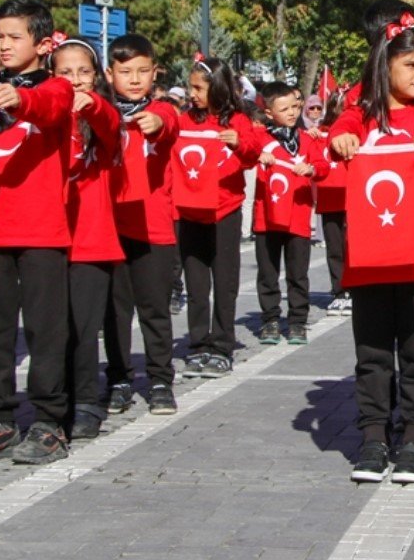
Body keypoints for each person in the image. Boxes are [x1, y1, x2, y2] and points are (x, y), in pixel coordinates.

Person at [329, 20, 414, 485]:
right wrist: (340, 138)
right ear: (386, 65)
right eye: (411, 65)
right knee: (373, 351)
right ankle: (372, 437)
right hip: (372, 252)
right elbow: (342, 127)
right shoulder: (360, 112)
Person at [0, 0, 76, 465]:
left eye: (14, 37)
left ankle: (48, 422)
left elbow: (47, 108)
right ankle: (0, 419)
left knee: (46, 330)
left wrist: (20, 99)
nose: (4, 46)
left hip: (42, 228)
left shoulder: (56, 89)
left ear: (44, 44)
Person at [102, 34, 182, 418]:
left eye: (142, 71)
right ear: (109, 73)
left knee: (154, 309)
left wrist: (154, 120)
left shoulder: (163, 109)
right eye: (124, 71)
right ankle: (118, 378)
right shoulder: (101, 113)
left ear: (155, 72)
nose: (134, 79)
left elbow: (167, 122)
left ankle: (161, 380)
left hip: (154, 227)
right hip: (110, 225)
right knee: (115, 311)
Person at [53, 39, 123, 441]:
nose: (75, 80)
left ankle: (86, 400)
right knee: (50, 328)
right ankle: (53, 399)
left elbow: (110, 124)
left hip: (91, 239)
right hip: (48, 235)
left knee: (82, 328)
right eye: (65, 72)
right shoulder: (45, 116)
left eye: (83, 72)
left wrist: (90, 106)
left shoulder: (102, 113)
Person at [175, 54, 261, 377]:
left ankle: (222, 344)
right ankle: (198, 345)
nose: (193, 94)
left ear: (218, 87)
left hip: (224, 212)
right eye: (191, 87)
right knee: (196, 285)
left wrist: (239, 144)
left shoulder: (236, 120)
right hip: (190, 213)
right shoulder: (185, 119)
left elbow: (252, 153)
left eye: (199, 88)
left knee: (224, 282)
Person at [251, 81, 325, 345]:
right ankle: (270, 320)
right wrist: (257, 154)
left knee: (298, 274)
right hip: (267, 218)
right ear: (269, 112)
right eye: (284, 109)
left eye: (295, 106)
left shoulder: (306, 139)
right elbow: (243, 150)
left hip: (298, 217)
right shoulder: (260, 137)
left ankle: (297, 321)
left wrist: (312, 170)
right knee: (268, 273)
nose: (292, 113)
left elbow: (323, 165)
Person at [314, 90, 351, 316]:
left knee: (353, 248)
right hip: (330, 199)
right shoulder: (319, 134)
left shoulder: (360, 133)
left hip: (353, 198)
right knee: (335, 249)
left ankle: (355, 290)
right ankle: (339, 291)